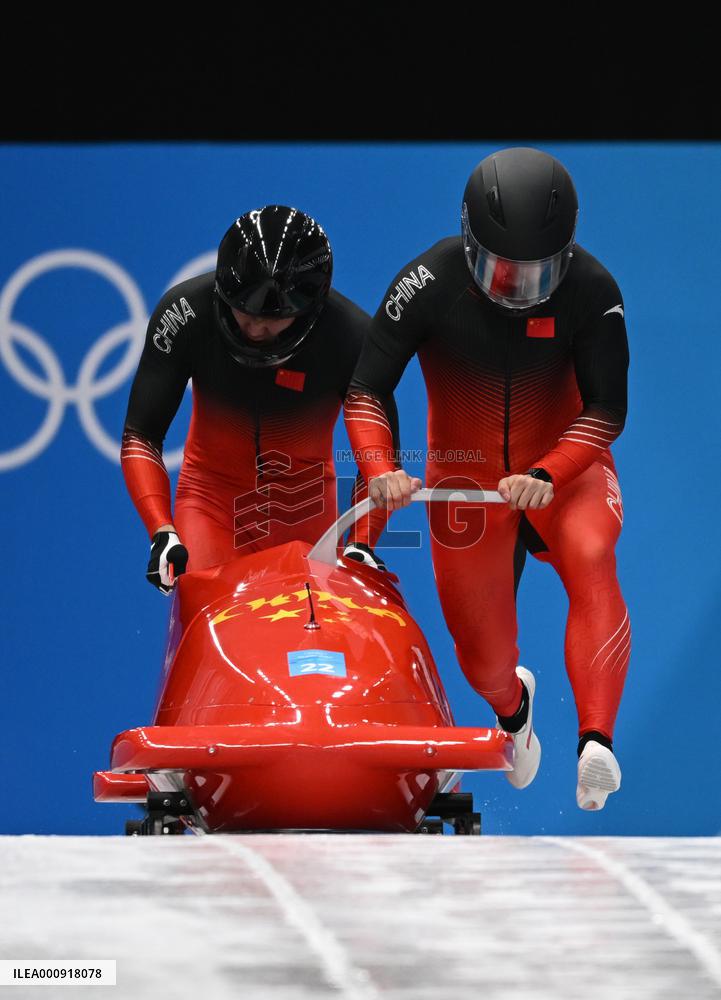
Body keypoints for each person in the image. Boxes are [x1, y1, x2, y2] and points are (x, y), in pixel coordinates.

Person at [344, 148, 630, 811]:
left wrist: (549, 470)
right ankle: (513, 707)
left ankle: (596, 744)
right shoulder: (425, 281)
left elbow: (606, 409)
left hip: (563, 470)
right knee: (481, 657)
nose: (517, 287)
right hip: (465, 484)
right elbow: (364, 389)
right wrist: (380, 467)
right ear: (469, 241)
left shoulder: (593, 289)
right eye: (501, 269)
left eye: (538, 273)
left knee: (590, 552)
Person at [122, 205, 397, 594]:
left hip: (304, 511)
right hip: (210, 503)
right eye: (242, 310)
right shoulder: (184, 314)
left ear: (309, 308)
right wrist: (161, 529)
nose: (253, 327)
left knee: (306, 646)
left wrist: (360, 542)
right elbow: (142, 435)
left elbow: (380, 462)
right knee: (210, 618)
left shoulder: (352, 338)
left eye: (271, 318)